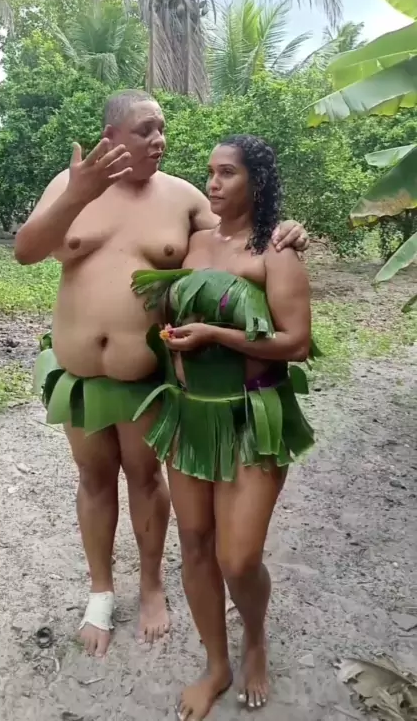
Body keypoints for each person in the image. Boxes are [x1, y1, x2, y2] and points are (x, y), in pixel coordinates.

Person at [15, 91, 309, 661]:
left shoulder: (183, 197)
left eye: (162, 129)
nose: (159, 140)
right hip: (80, 374)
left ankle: (151, 585)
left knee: (145, 480)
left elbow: (244, 233)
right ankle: (101, 593)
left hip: (148, 375)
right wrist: (77, 193)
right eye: (146, 129)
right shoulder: (68, 185)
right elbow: (26, 251)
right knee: (93, 480)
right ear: (111, 136)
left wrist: (291, 230)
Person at [131, 134, 313, 719]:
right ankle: (217, 664)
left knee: (238, 558)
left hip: (250, 415)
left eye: (228, 172)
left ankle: (254, 639)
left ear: (256, 182)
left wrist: (216, 335)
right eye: (210, 171)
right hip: (190, 414)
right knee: (195, 545)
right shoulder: (195, 242)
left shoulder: (276, 249)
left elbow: (296, 342)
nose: (213, 182)